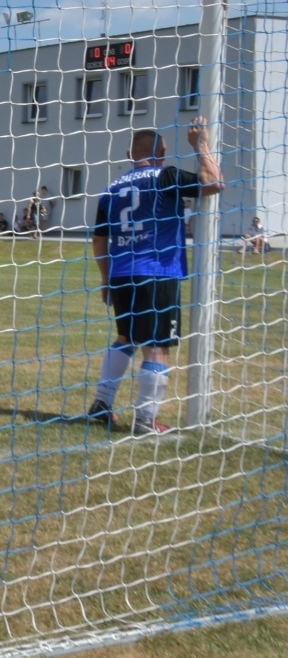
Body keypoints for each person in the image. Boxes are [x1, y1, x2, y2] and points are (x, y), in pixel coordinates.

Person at [86, 118, 222, 436]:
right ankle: (146, 419)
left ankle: (101, 404)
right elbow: (213, 183)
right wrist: (201, 145)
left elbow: (99, 240)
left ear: (129, 154)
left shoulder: (112, 189)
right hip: (157, 273)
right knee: (157, 347)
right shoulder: (166, 175)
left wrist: (106, 279)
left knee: (127, 338)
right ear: (162, 151)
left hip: (121, 274)